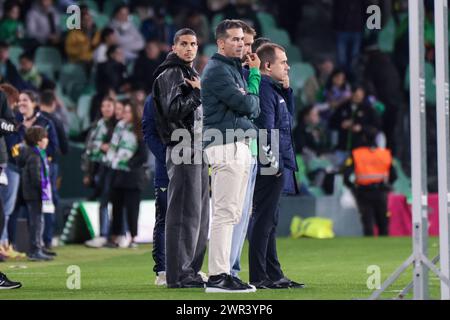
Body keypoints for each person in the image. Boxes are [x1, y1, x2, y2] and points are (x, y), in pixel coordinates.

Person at [201, 19, 259, 293]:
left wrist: (248, 99)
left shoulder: (230, 69)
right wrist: (253, 85)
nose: (240, 43)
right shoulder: (218, 71)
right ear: (221, 42)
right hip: (226, 145)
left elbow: (250, 109)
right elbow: (248, 104)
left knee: (232, 213)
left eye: (241, 39)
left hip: (236, 144)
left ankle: (223, 272)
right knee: (225, 213)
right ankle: (217, 277)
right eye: (234, 39)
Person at [152, 28, 209, 289]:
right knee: (184, 213)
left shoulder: (190, 73)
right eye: (184, 44)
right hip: (182, 146)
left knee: (197, 214)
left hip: (196, 147)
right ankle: (178, 275)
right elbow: (172, 111)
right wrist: (197, 94)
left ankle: (190, 271)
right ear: (174, 47)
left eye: (193, 44)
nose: (189, 48)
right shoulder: (171, 73)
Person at [248, 42, 304, 289]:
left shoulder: (275, 90)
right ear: (267, 65)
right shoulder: (265, 91)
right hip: (270, 164)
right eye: (283, 62)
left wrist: (288, 92)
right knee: (263, 220)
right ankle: (259, 276)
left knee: (270, 221)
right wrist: (273, 163)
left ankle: (274, 274)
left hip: (277, 162)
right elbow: (265, 131)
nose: (288, 66)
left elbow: (287, 123)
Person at [229, 21, 261, 280]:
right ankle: (226, 269)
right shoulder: (237, 73)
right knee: (231, 214)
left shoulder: (246, 71)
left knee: (242, 215)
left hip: (249, 148)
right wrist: (255, 76)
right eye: (243, 42)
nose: (247, 48)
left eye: (250, 44)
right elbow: (249, 107)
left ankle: (233, 269)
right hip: (232, 146)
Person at [105, 100, 148, 248]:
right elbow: (113, 149)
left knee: (132, 208)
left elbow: (143, 156)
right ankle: (115, 237)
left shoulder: (140, 130)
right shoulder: (119, 128)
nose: (125, 114)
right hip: (118, 174)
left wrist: (128, 164)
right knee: (116, 207)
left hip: (133, 176)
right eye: (124, 111)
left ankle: (133, 237)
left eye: (128, 111)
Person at [343, 131, 397, 236]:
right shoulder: (385, 154)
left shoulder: (356, 154)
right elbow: (394, 175)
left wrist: (353, 187)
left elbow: (346, 175)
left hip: (363, 191)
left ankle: (369, 243)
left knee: (367, 221)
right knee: (383, 221)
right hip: (381, 191)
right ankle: (384, 245)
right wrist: (386, 185)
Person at [82, 97, 117, 248]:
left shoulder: (118, 125)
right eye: (104, 106)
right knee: (102, 201)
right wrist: (88, 172)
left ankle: (115, 234)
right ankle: (104, 234)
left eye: (109, 105)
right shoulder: (97, 124)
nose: (106, 109)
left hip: (115, 168)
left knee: (115, 202)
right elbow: (88, 148)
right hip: (99, 168)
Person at [142, 94, 169, 286]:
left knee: (190, 221)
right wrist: (168, 158)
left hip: (191, 167)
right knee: (165, 219)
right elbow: (149, 133)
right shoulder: (155, 99)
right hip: (166, 171)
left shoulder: (192, 90)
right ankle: (162, 270)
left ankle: (187, 267)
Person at [17, 126, 54, 261]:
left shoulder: (36, 153)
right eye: (45, 137)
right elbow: (35, 178)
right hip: (34, 194)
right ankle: (34, 250)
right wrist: (43, 192)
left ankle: (39, 247)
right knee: (36, 222)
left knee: (39, 221)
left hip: (34, 194)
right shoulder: (34, 155)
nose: (47, 140)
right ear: (38, 140)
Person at [39, 90, 68, 253]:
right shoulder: (54, 120)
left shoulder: (35, 118)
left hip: (30, 164)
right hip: (50, 165)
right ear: (54, 103)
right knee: (49, 200)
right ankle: (50, 236)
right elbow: (64, 147)